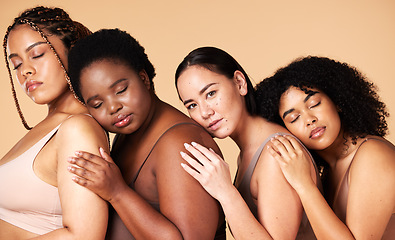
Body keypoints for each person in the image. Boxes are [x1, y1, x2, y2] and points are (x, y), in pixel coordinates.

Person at [66, 29, 226, 240]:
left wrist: (117, 192)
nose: (113, 107)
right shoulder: (125, 136)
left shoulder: (181, 143)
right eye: (97, 104)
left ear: (144, 78)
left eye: (121, 90)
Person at [175, 46, 322, 239]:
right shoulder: (247, 153)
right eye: (192, 105)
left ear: (239, 83)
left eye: (210, 94)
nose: (204, 112)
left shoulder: (275, 153)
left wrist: (226, 192)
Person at [255, 56, 395, 239]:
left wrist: (304, 184)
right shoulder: (327, 172)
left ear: (337, 101)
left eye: (314, 104)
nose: (309, 119)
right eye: (293, 118)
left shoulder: (373, 155)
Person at [0, 6, 109, 240]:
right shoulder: (49, 127)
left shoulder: (79, 129)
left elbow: (83, 236)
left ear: (73, 52)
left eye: (37, 55)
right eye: (17, 64)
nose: (26, 71)